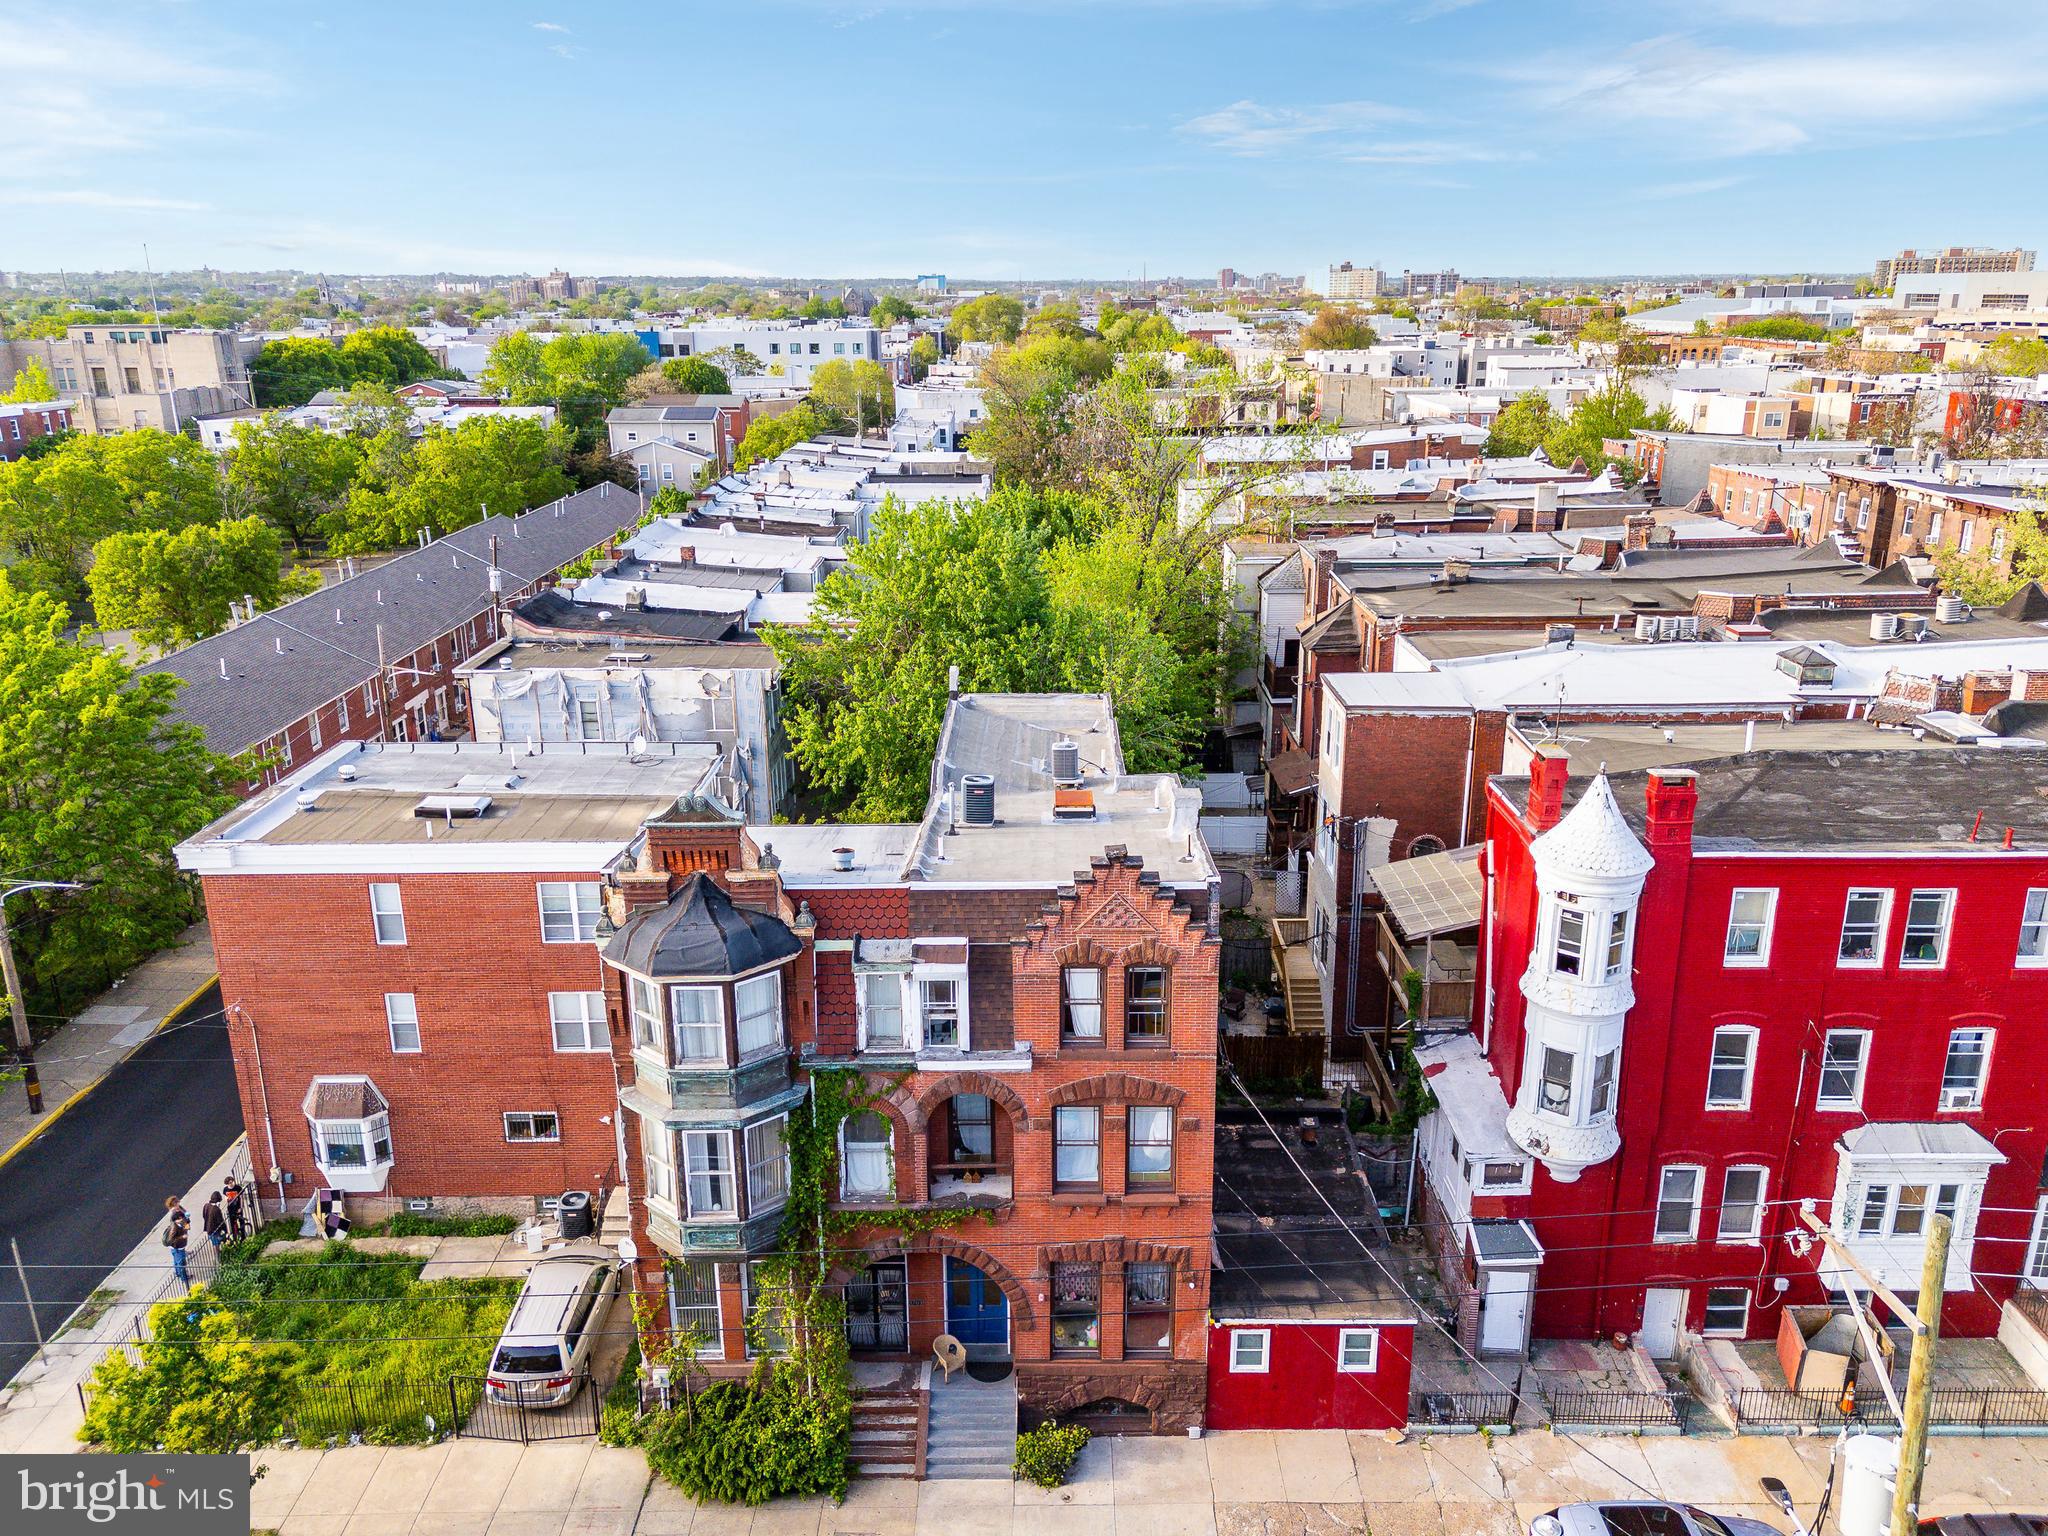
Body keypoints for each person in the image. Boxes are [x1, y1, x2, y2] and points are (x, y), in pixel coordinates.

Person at [162, 1197, 191, 1289]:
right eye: (180, 1218)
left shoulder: (180, 1218)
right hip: (177, 1247)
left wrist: (187, 1224)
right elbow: (172, 1239)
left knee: (177, 1261)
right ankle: (184, 1277)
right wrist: (182, 1237)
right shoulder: (174, 1227)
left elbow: (186, 1224)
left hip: (178, 1247)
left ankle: (178, 1273)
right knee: (181, 1263)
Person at [221, 1175, 247, 1241]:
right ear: (227, 1184)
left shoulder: (238, 1188)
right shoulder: (225, 1189)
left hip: (238, 1207)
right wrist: (226, 1199)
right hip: (231, 1208)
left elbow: (241, 1198)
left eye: (232, 1182)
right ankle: (235, 1236)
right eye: (229, 1183)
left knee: (241, 1221)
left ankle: (243, 1235)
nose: (231, 1184)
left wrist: (241, 1207)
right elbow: (225, 1197)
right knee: (232, 1223)